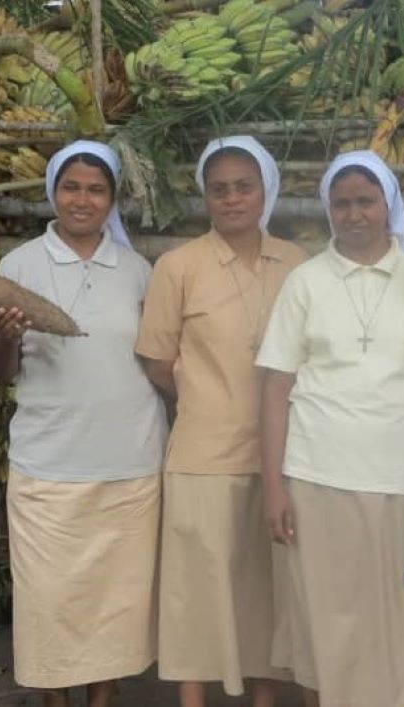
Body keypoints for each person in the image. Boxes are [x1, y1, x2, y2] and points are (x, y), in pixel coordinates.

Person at [257, 150, 404, 707]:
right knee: (321, 615)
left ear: (387, 205)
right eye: (341, 203)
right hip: (311, 472)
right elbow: (274, 387)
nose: (354, 214)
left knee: (384, 620)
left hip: (390, 477)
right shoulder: (305, 282)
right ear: (328, 210)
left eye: (365, 201)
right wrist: (274, 487)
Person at [0, 140, 167, 707]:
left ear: (112, 200)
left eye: (95, 189)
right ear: (52, 193)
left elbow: (160, 360)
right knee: (50, 603)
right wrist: (8, 338)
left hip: (129, 464)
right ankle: (55, 701)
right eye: (71, 187)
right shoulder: (19, 268)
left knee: (115, 604)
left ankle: (102, 700)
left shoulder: (138, 271)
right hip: (49, 467)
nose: (82, 200)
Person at [135, 136, 307, 707]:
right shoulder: (178, 266)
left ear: (265, 190)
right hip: (203, 456)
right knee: (197, 596)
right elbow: (158, 360)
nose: (232, 199)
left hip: (284, 459)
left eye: (243, 187)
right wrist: (207, 398)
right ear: (205, 197)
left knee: (268, 592)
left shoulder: (299, 264)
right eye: (219, 190)